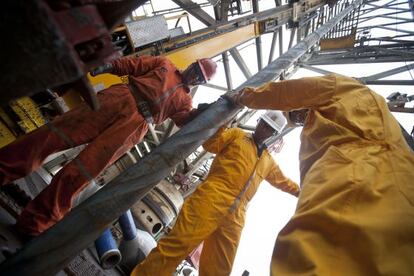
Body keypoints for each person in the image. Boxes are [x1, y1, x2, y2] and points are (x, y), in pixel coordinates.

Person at [0, 55, 217, 239]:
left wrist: (202, 114)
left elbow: (183, 121)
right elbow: (135, 64)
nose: (195, 76)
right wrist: (109, 65)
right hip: (119, 97)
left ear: (201, 83)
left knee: (83, 171)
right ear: (192, 64)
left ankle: (33, 225)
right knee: (55, 135)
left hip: (134, 126)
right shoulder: (165, 64)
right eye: (196, 70)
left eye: (200, 77)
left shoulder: (186, 103)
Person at [227, 74, 414, 275]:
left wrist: (242, 97)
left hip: (351, 173)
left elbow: (285, 92)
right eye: (297, 120)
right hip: (401, 183)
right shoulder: (370, 107)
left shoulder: (337, 87)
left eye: (296, 114)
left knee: (309, 255)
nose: (301, 119)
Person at [132, 111, 300, 276]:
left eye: (269, 128)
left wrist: (303, 192)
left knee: (220, 268)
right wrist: (222, 124)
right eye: (263, 124)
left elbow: (284, 182)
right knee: (178, 245)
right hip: (210, 199)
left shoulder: (268, 162)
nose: (264, 129)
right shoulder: (237, 135)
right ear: (258, 122)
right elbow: (211, 145)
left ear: (274, 133)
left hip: (236, 217)